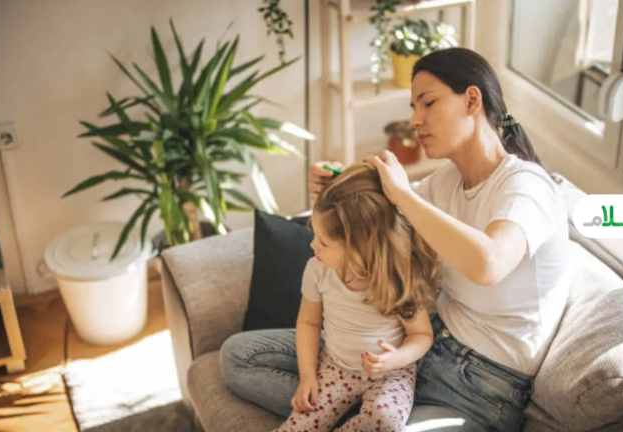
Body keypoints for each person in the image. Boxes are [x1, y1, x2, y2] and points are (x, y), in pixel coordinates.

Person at [222, 47, 571, 431]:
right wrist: (334, 188)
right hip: (408, 348)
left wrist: (404, 195)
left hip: (477, 384)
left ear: (472, 101)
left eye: (428, 103)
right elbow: (372, 223)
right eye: (413, 107)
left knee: (385, 423)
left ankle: (361, 415)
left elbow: (488, 264)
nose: (415, 120)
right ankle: (351, 408)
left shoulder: (527, 187)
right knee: (239, 356)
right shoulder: (446, 180)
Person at [271, 164, 439, 432]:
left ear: (360, 248)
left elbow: (421, 335)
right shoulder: (317, 269)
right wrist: (307, 377)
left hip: (390, 374)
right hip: (336, 368)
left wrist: (397, 358)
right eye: (315, 236)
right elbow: (309, 323)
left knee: (385, 421)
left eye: (324, 242)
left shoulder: (396, 276)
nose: (313, 245)